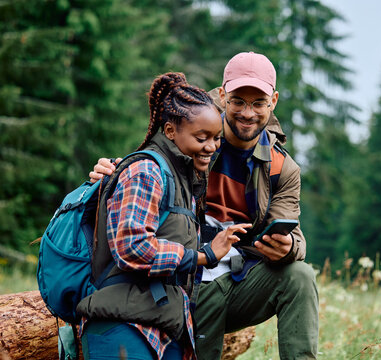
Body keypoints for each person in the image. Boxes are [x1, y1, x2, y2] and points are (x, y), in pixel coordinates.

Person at [90, 52, 319, 359]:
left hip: (239, 276)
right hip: (184, 274)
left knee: (300, 276)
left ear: (273, 102)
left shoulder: (282, 168)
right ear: (223, 96)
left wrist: (288, 246)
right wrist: (113, 171)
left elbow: (295, 236)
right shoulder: (193, 127)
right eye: (238, 100)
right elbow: (149, 167)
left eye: (258, 103)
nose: (247, 113)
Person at [78, 72, 251, 360]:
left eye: (216, 138)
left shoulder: (183, 179)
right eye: (202, 137)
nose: (211, 146)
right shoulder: (146, 172)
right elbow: (132, 248)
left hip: (160, 325)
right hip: (122, 327)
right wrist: (202, 256)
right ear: (170, 131)